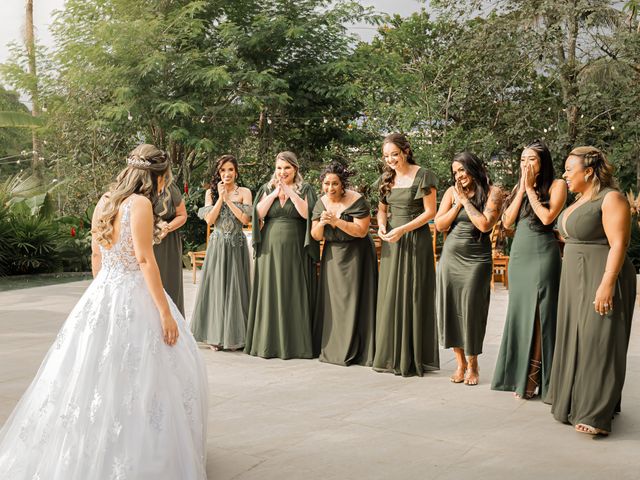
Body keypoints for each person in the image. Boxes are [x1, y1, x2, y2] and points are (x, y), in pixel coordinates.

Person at [0, 144, 207, 479]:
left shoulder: (106, 200)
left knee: (93, 375)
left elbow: (96, 256)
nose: (161, 185)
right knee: (147, 375)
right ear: (153, 176)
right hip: (132, 291)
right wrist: (164, 313)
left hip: (103, 291)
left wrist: (104, 291)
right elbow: (143, 259)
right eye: (162, 179)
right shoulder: (139, 204)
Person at [546, 146, 636, 436]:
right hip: (574, 278)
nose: (564, 175)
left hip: (602, 275)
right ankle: (575, 400)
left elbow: (619, 244)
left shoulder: (612, 198)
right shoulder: (579, 199)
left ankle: (596, 414)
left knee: (600, 340)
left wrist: (607, 283)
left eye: (569, 169)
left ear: (588, 171)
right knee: (577, 337)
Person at [492, 140, 566, 399]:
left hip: (543, 253)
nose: (525, 165)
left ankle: (535, 378)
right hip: (520, 254)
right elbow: (507, 221)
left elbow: (547, 218)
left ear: (543, 163)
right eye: (523, 159)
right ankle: (518, 375)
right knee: (520, 313)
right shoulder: (518, 187)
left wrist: (532, 190)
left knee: (540, 314)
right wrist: (522, 190)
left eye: (531, 159)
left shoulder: (558, 185)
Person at [372, 133, 439, 377]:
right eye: (386, 155)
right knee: (391, 294)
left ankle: (413, 355)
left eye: (394, 154)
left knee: (413, 293)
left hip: (414, 239)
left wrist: (403, 228)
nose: (390, 159)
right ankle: (391, 354)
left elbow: (430, 212)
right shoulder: (385, 178)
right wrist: (382, 226)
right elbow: (382, 210)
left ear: (406, 151)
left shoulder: (424, 175)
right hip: (392, 241)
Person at [435, 152, 502, 386]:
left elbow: (485, 224)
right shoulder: (450, 192)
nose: (458, 176)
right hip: (451, 257)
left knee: (472, 310)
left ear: (473, 168)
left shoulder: (494, 192)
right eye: (455, 172)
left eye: (462, 170)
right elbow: (440, 224)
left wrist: (465, 202)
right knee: (452, 309)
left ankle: (473, 363)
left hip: (477, 260)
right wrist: (456, 205)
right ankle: (460, 363)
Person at [244, 151, 319, 359]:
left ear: (295, 169)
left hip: (296, 247)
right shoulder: (266, 189)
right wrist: (275, 193)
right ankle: (269, 342)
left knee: (294, 288)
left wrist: (290, 192)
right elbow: (257, 214)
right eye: (279, 168)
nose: (282, 172)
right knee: (271, 289)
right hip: (270, 248)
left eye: (287, 167)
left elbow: (307, 214)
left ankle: (297, 344)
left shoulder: (306, 189)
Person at [311, 162, 377, 366]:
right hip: (333, 257)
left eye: (335, 184)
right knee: (334, 303)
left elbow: (362, 231)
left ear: (343, 184)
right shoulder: (320, 202)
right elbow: (315, 235)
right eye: (326, 183)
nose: (330, 188)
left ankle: (359, 350)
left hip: (357, 255)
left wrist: (337, 221)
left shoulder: (357, 200)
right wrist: (322, 223)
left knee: (355, 300)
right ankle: (333, 347)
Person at [190, 155, 252, 351]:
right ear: (219, 173)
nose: (227, 174)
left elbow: (244, 220)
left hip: (236, 243)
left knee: (235, 287)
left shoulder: (244, 192)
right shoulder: (211, 192)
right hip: (217, 244)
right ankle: (214, 336)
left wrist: (229, 200)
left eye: (230, 170)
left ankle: (235, 336)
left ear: (236, 172)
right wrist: (220, 198)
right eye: (223, 170)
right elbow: (209, 221)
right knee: (216, 287)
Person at [153, 168, 187, 315]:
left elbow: (182, 215)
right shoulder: (138, 189)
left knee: (169, 283)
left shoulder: (171, 187)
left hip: (168, 243)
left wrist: (166, 228)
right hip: (145, 240)